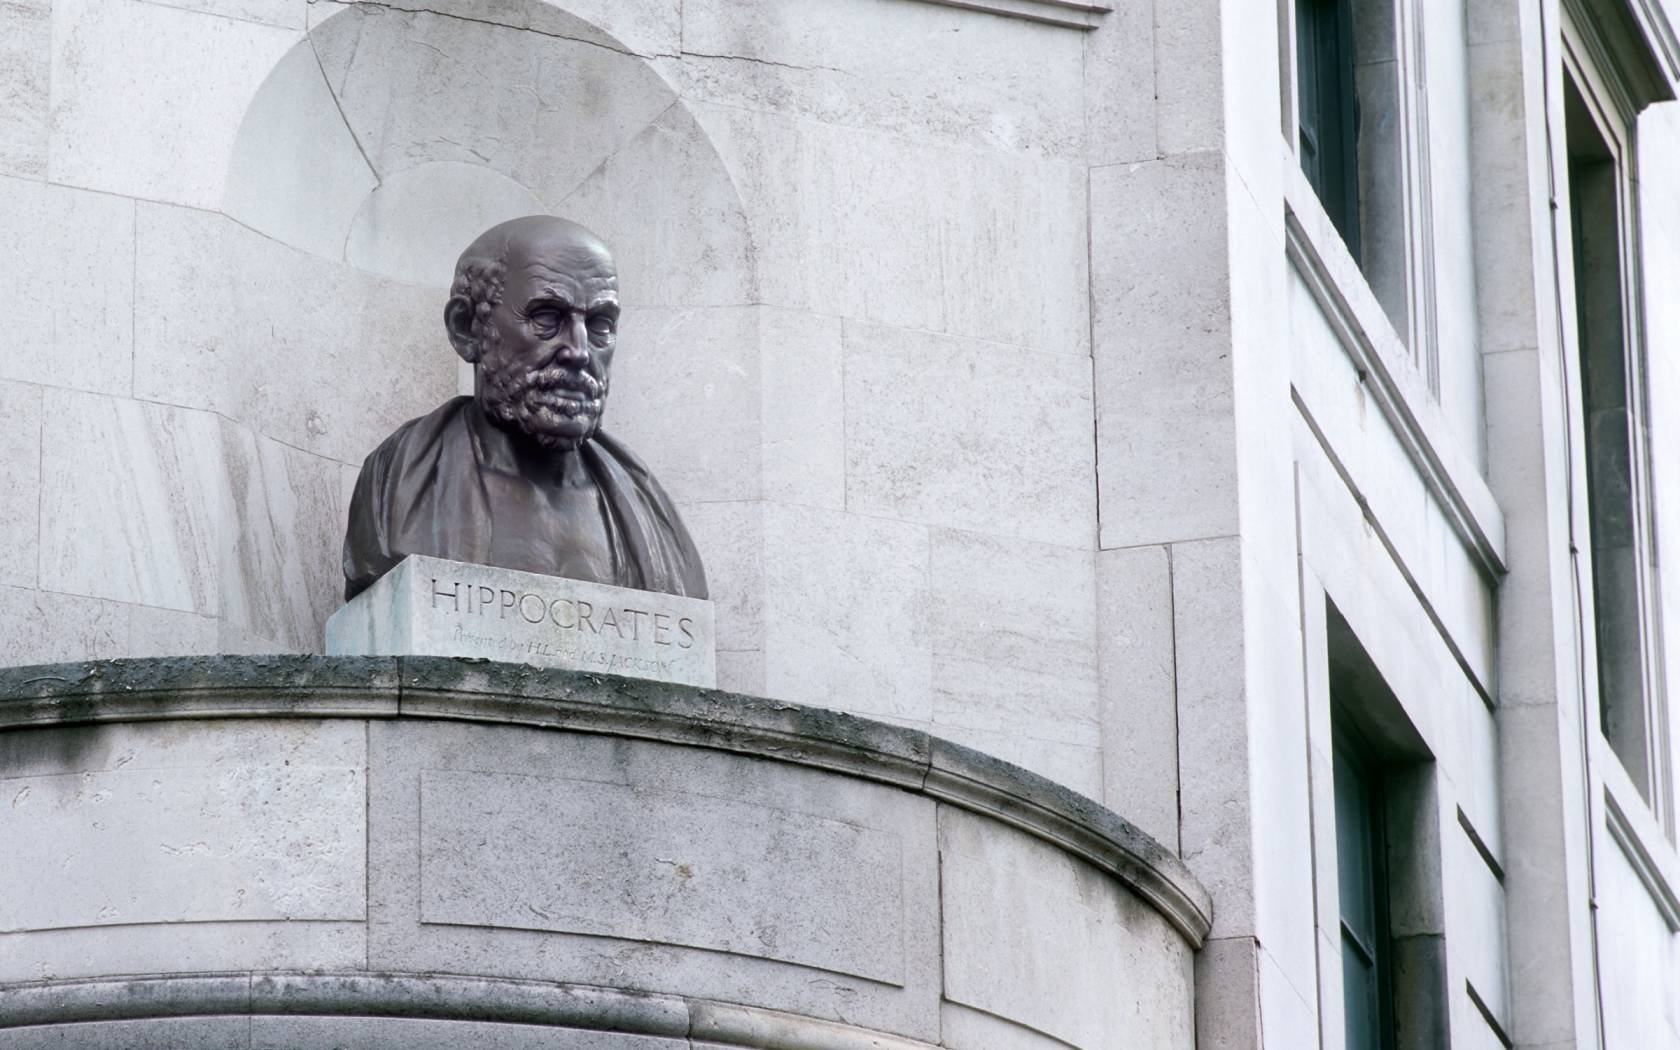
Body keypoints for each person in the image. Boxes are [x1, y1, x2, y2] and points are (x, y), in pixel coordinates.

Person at [341, 216, 707, 602]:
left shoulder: (651, 512)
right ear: (467, 329)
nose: (579, 352)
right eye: (547, 318)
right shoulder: (403, 483)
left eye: (600, 323)